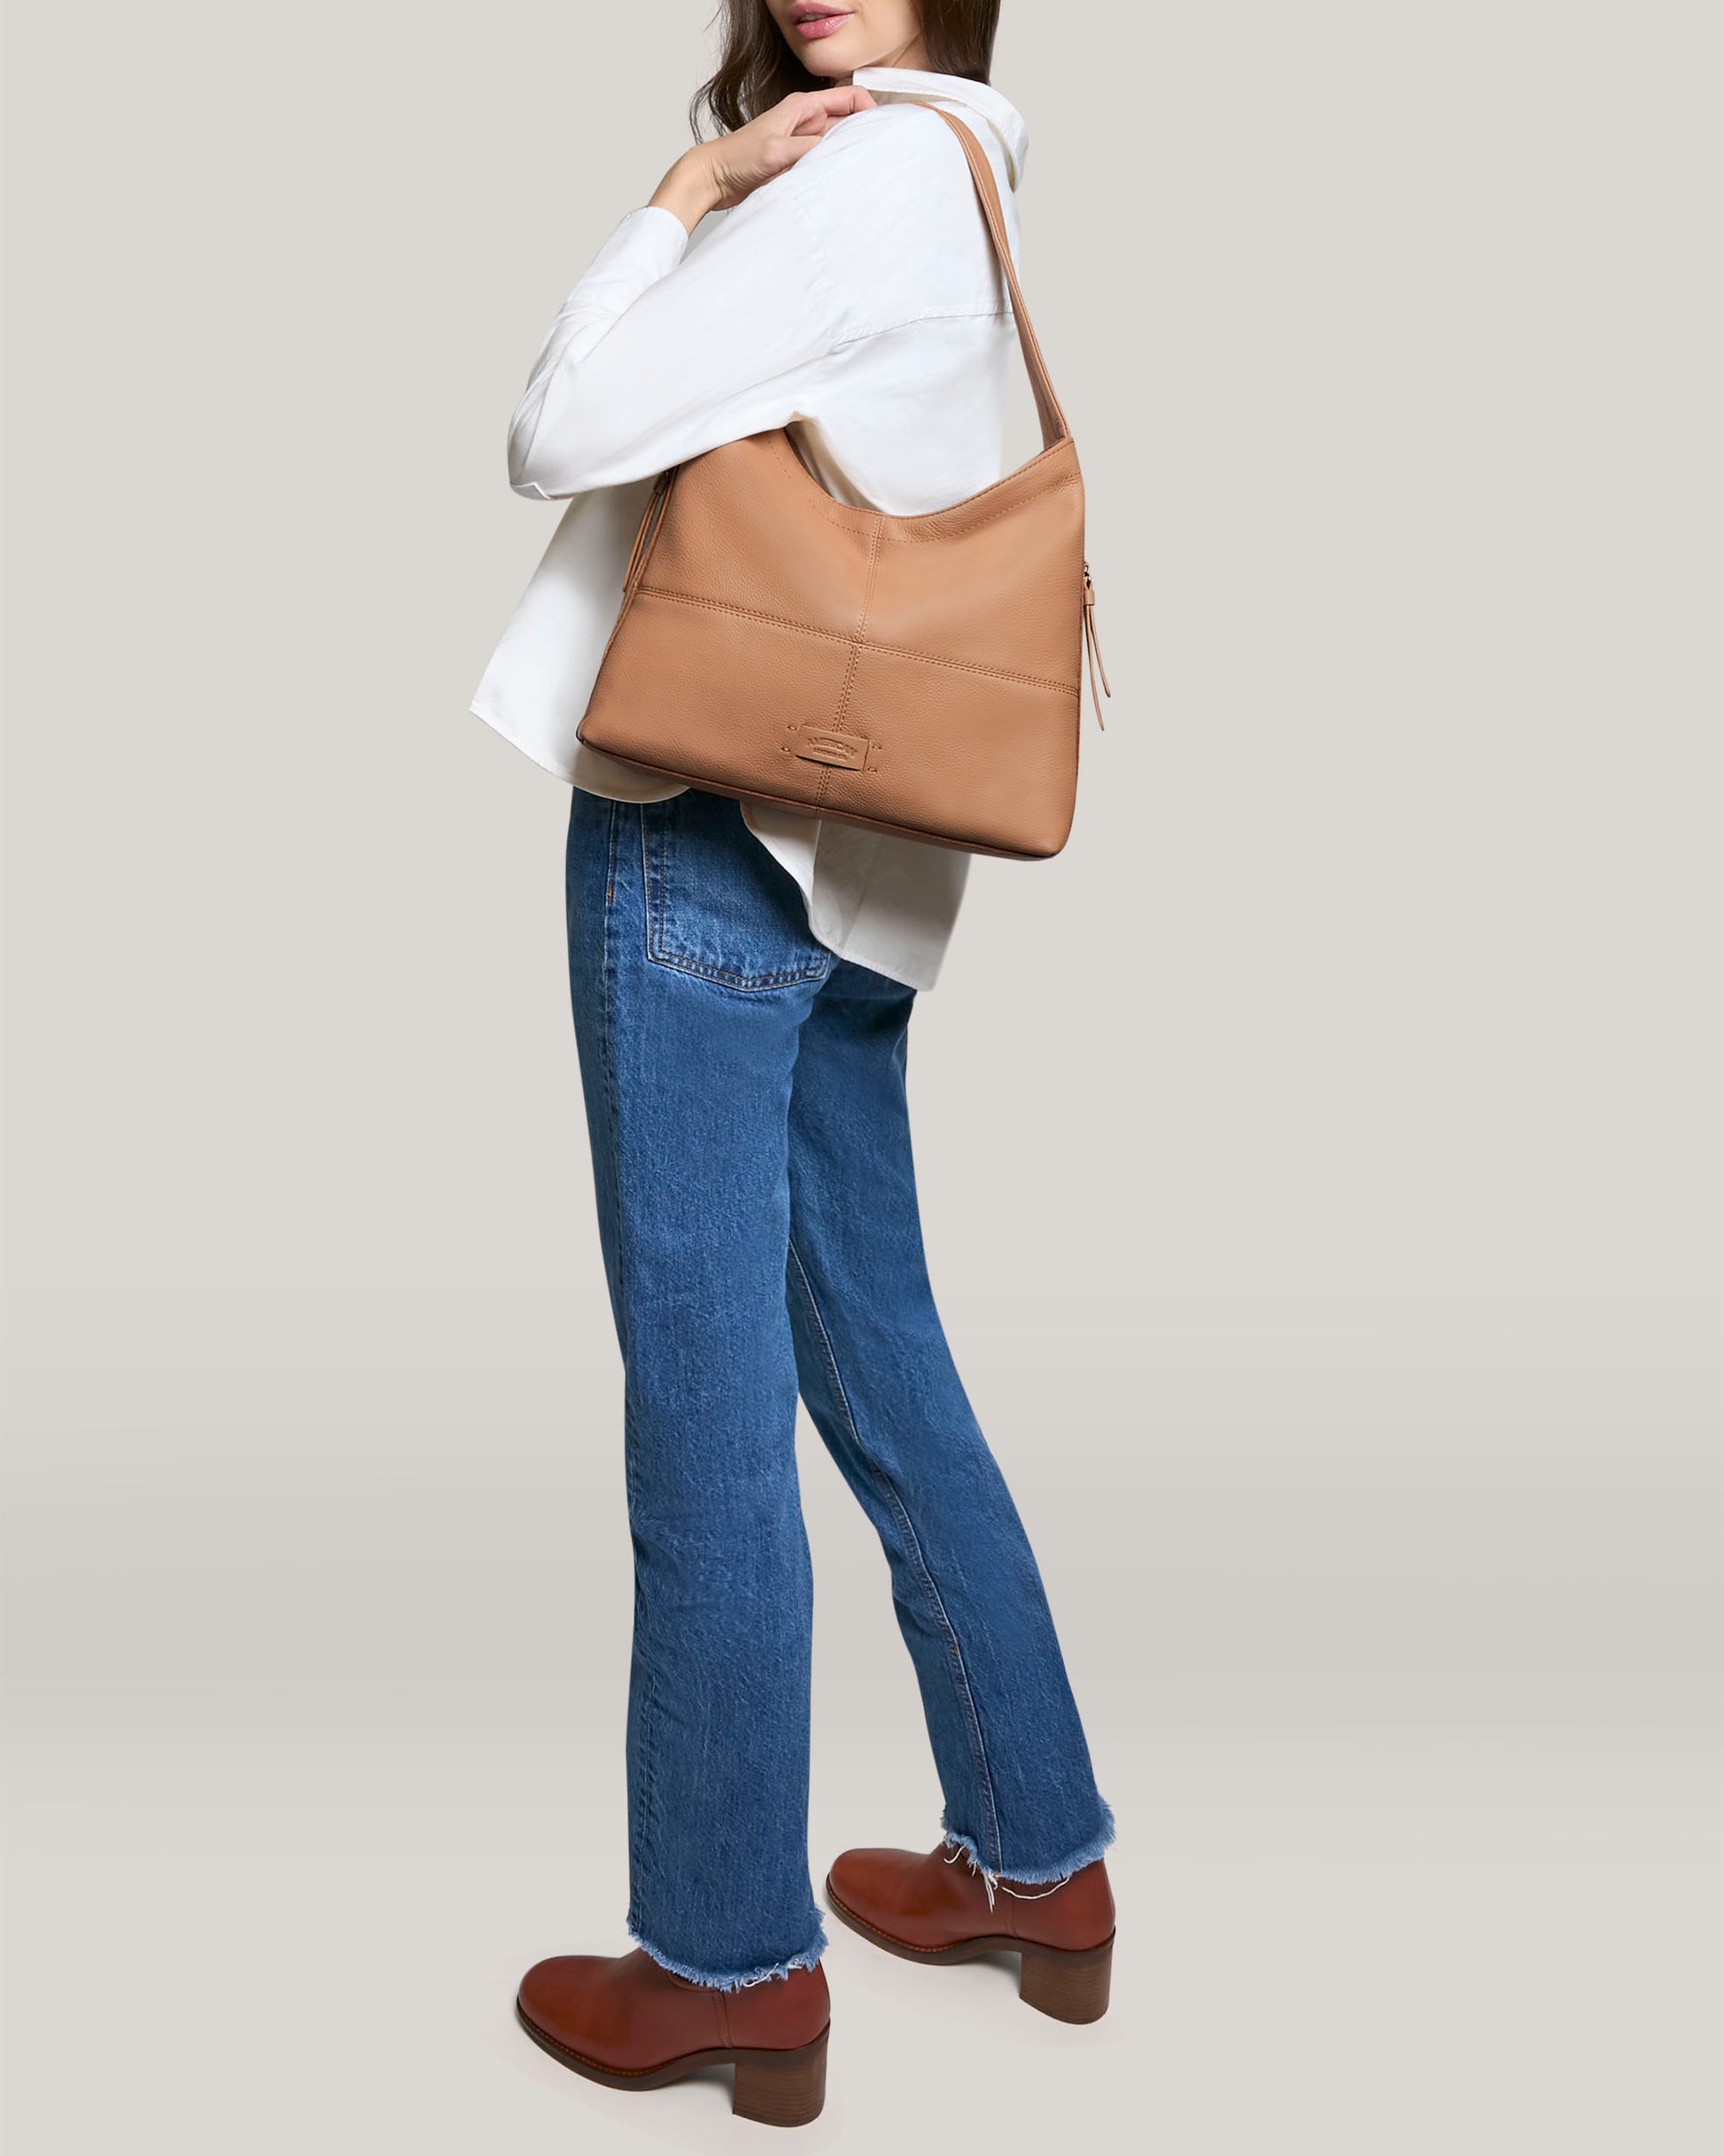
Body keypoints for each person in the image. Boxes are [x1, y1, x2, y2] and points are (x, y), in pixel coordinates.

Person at [472, 0, 1114, 2125]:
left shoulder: (858, 174)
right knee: (881, 1354)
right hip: (866, 877)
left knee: (709, 1409)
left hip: (709, 840)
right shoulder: (976, 174)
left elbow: (561, 424)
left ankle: (724, 1958)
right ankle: (1041, 1858)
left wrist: (680, 195)